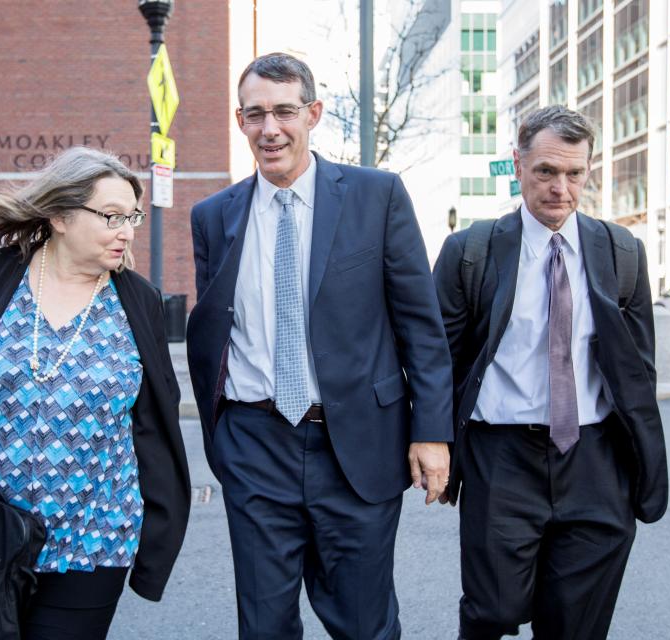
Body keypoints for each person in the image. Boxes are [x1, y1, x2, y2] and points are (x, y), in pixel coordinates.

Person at [186, 52, 452, 639]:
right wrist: (224, 435)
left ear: (314, 113)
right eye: (255, 114)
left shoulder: (375, 196)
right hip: (255, 444)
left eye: (284, 111)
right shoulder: (213, 216)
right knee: (263, 626)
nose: (270, 128)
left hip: (354, 444)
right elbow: (214, 333)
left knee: (362, 623)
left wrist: (431, 432)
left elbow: (420, 327)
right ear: (239, 121)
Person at [0, 146, 190, 639]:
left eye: (131, 216)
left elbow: (157, 419)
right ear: (60, 216)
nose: (128, 231)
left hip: (93, 540)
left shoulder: (139, 302)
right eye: (111, 216)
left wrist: (160, 526)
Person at [434, 106, 669, 640]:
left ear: (588, 171)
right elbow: (437, 362)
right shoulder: (469, 252)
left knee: (575, 626)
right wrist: (434, 444)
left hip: (595, 457)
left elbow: (640, 368)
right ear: (518, 166)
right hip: (503, 457)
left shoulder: (621, 251)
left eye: (574, 173)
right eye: (545, 171)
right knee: (491, 611)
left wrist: (642, 460)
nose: (560, 188)